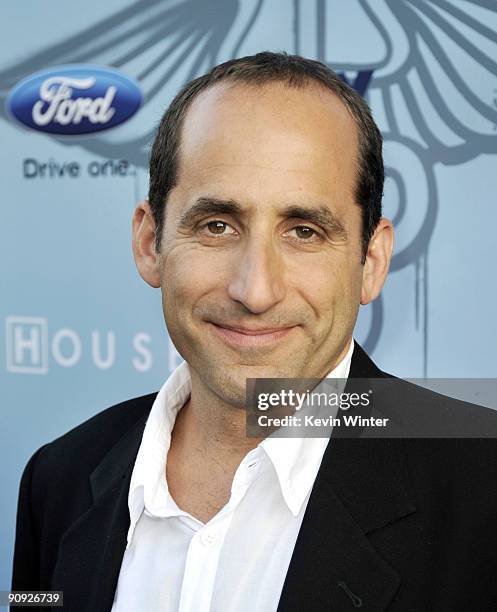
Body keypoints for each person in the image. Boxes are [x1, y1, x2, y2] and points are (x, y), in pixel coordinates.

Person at [11, 52, 497, 612]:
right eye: (217, 226)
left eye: (305, 232)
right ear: (151, 243)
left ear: (371, 261)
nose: (256, 289)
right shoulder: (58, 480)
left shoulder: (483, 491)